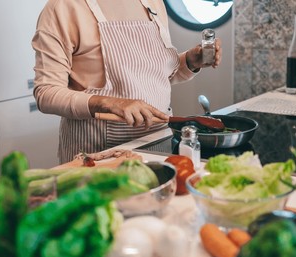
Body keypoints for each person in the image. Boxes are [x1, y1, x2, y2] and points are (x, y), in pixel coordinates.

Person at [32, 0, 222, 163]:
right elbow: (46, 93)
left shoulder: (152, 3)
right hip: (98, 155)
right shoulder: (63, 8)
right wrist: (110, 103)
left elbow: (150, 77)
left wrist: (189, 61)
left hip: (156, 147)